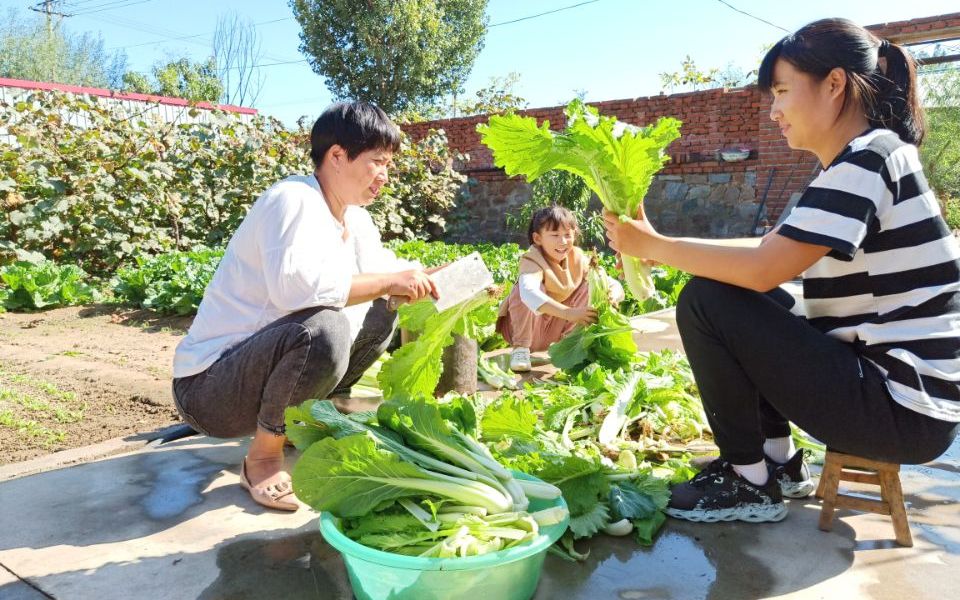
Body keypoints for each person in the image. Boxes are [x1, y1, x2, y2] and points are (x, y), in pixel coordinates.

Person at [604, 18, 960, 524]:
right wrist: (657, 244)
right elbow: (771, 249)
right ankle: (776, 462)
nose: (773, 112)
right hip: (904, 401)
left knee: (708, 301)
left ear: (834, 84)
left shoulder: (869, 158)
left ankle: (747, 481)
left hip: (901, 409)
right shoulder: (863, 159)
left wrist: (656, 248)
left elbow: (764, 268)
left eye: (782, 92)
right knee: (752, 300)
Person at [172, 102, 437, 512]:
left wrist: (439, 280)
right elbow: (295, 294)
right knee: (323, 328)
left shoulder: (356, 219)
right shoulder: (292, 200)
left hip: (263, 376)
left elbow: (387, 274)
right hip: (211, 390)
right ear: (336, 156)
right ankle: (262, 458)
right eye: (377, 162)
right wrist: (388, 281)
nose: (385, 175)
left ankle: (302, 422)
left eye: (388, 164)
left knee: (386, 309)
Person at [497, 205, 624, 372]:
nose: (563, 242)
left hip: (557, 331)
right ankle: (520, 350)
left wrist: (612, 296)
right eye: (555, 235)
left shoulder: (577, 257)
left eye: (568, 235)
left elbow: (613, 284)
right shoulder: (532, 259)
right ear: (537, 238)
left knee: (591, 284)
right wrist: (567, 312)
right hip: (527, 328)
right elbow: (529, 294)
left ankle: (571, 345)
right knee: (522, 289)